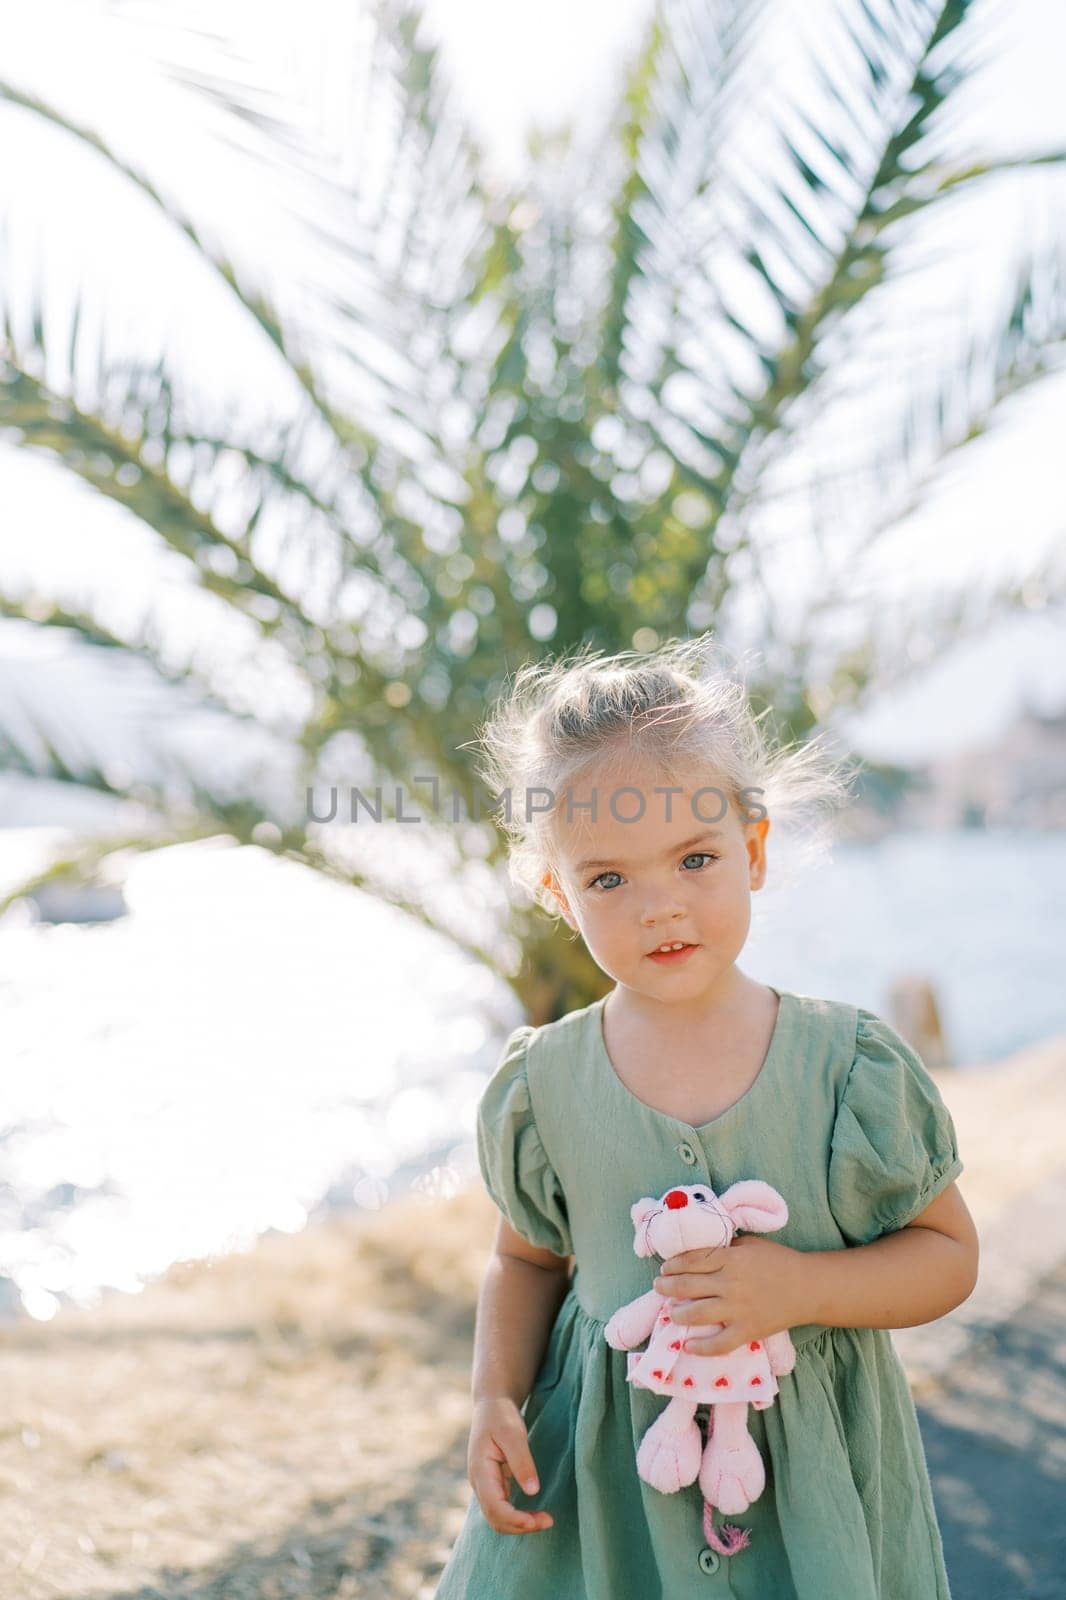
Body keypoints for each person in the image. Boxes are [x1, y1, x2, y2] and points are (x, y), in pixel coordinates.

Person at [432, 635, 978, 1600]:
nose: (659, 906)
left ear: (753, 849)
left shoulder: (846, 1068)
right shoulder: (546, 1084)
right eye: (609, 879)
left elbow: (946, 1257)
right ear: (560, 892)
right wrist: (492, 1396)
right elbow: (525, 1261)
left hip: (812, 1509)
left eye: (694, 858)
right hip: (607, 1512)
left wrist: (800, 1288)